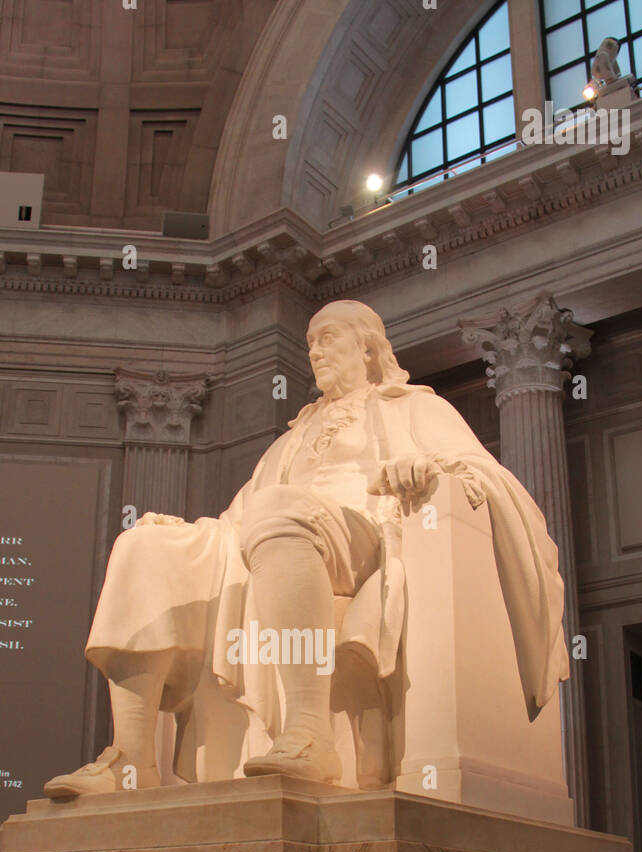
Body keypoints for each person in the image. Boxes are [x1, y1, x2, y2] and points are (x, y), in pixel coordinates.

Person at [44, 299, 568, 796]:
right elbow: (238, 518)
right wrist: (184, 533)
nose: (314, 351)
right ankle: (131, 760)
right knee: (145, 544)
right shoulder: (291, 437)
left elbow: (480, 473)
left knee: (279, 513)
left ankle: (310, 730)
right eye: (310, 341)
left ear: (367, 349)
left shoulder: (412, 408)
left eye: (328, 339)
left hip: (369, 530)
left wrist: (428, 469)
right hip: (275, 535)